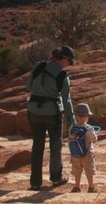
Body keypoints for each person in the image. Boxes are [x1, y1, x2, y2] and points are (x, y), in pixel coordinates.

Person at [25, 46, 76, 191]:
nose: (70, 64)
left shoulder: (39, 66)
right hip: (52, 113)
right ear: (63, 59)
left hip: (34, 110)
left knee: (37, 146)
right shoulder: (63, 76)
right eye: (70, 61)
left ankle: (35, 183)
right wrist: (73, 122)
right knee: (55, 145)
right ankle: (56, 178)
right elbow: (67, 102)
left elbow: (28, 85)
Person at [69, 103, 98, 193]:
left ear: (76, 116)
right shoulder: (89, 128)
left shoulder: (72, 127)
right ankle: (91, 187)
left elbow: (70, 137)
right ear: (86, 116)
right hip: (87, 153)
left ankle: (77, 187)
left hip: (75, 154)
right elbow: (94, 139)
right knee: (89, 171)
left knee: (77, 170)